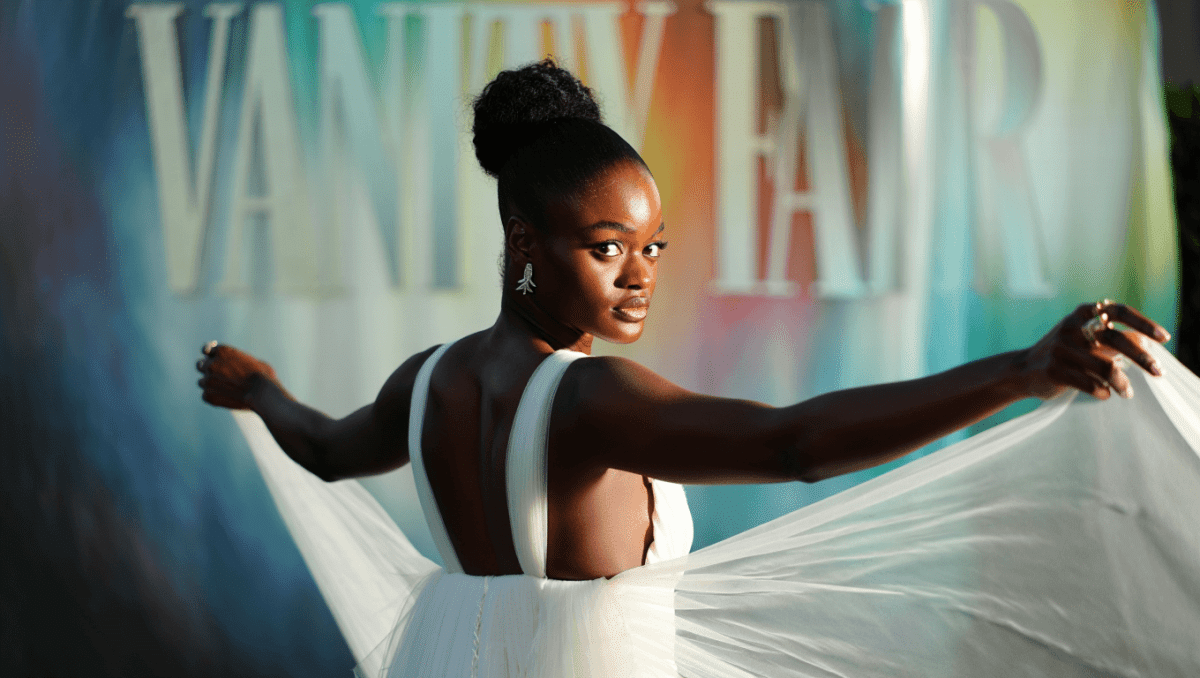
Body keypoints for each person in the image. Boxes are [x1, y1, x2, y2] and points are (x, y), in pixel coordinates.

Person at [197, 60, 1200, 677]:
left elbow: (324, 449)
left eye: (654, 248)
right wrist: (1020, 370)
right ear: (524, 242)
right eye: (607, 247)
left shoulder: (427, 383)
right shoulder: (589, 399)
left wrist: (259, 392)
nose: (641, 277)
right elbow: (793, 444)